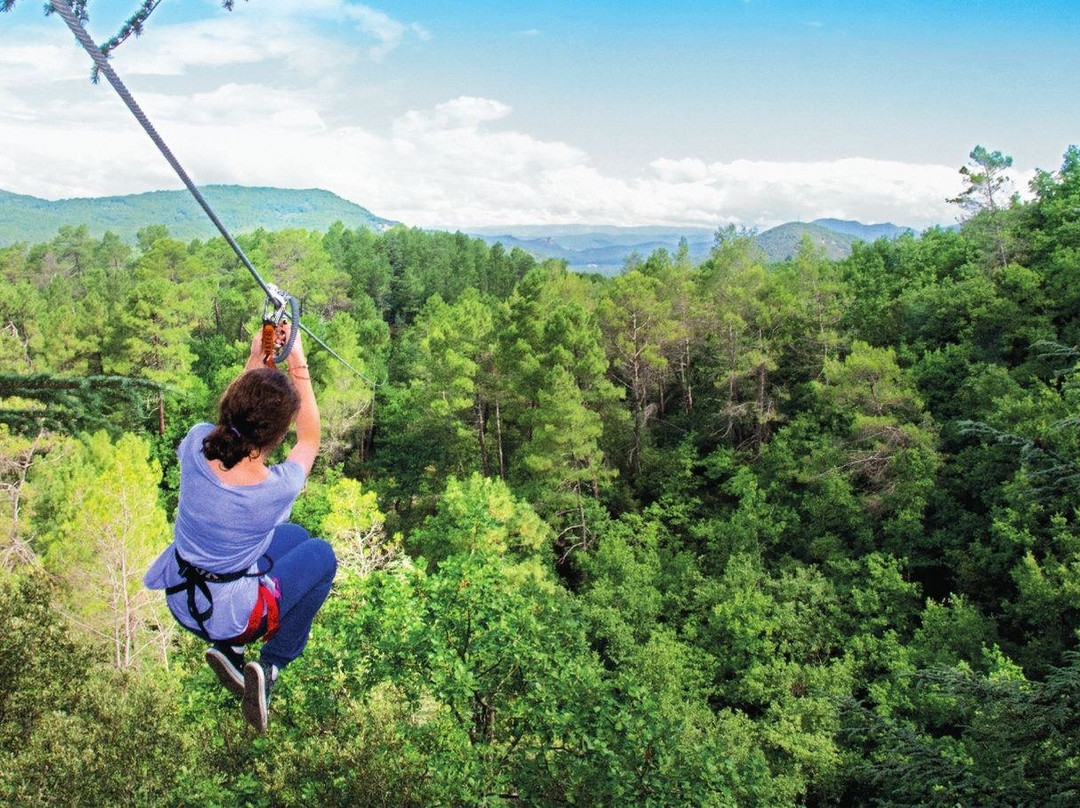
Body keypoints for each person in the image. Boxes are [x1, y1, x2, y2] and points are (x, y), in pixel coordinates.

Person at [144, 324, 337, 733]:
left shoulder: (196, 444)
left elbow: (236, 412)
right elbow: (311, 439)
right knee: (322, 555)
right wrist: (297, 356)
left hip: (182, 596)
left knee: (297, 538)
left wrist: (261, 352)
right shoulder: (271, 490)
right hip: (231, 614)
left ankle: (230, 654)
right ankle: (271, 667)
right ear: (275, 436)